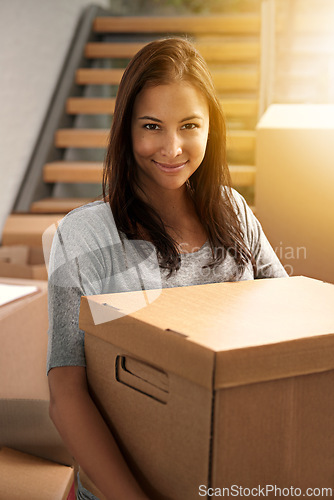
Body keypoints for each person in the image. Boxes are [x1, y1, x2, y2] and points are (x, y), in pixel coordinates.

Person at [47, 38, 288, 500]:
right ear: (126, 130)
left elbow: (291, 315)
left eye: (190, 126)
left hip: (238, 473)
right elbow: (66, 392)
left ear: (210, 129)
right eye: (152, 126)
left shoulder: (232, 212)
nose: (173, 147)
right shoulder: (83, 237)